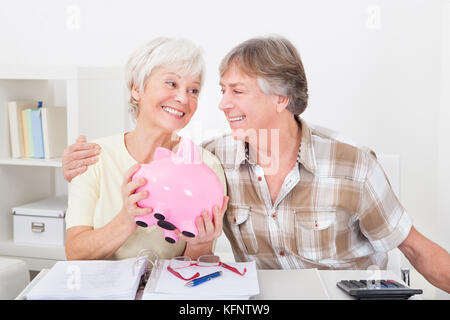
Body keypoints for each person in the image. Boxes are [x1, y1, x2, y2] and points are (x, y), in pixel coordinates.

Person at [63, 36, 449, 293]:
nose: (220, 103)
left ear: (281, 98)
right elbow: (165, 167)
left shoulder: (352, 164)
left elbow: (416, 250)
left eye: (237, 91)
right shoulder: (216, 160)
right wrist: (71, 164)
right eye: (221, 90)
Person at [63, 37, 228, 261]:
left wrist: (201, 244)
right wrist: (127, 219)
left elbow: (195, 268)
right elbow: (75, 254)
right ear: (137, 89)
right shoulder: (92, 157)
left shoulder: (205, 165)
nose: (182, 98)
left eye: (193, 90)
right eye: (171, 83)